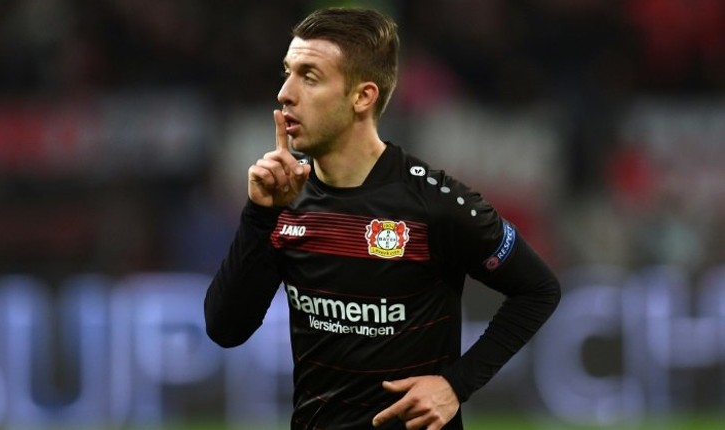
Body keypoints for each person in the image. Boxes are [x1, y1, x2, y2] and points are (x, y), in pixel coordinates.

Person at [204, 7, 561, 430]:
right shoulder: (285, 199)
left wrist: (455, 384)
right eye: (287, 72)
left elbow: (538, 289)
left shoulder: (434, 203)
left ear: (362, 97)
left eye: (309, 76)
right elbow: (226, 329)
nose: (284, 93)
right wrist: (260, 216)